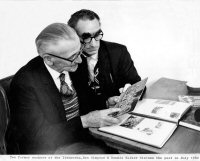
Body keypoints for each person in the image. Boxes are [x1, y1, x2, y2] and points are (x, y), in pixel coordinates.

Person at [6, 23, 121, 154]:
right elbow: (37, 136)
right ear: (49, 60)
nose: (80, 60)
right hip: (49, 148)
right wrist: (86, 121)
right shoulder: (25, 83)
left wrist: (106, 102)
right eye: (73, 57)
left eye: (80, 52)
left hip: (81, 135)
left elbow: (87, 99)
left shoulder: (73, 65)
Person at [68, 9, 144, 126]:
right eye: (86, 37)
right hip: (85, 123)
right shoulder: (68, 59)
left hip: (116, 118)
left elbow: (138, 86)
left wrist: (127, 93)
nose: (94, 44)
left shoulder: (118, 52)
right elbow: (79, 101)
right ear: (74, 36)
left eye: (97, 34)